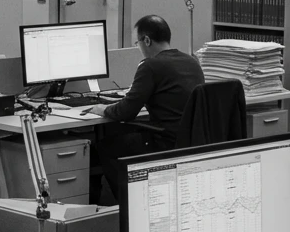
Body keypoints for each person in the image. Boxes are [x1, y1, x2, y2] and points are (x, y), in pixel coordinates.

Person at [86, 14, 204, 199]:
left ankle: (124, 206)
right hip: (190, 140)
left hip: (164, 141)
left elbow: (126, 112)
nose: (138, 47)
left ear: (147, 40)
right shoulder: (192, 61)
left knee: (105, 147)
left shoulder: (151, 66)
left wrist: (103, 109)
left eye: (137, 42)